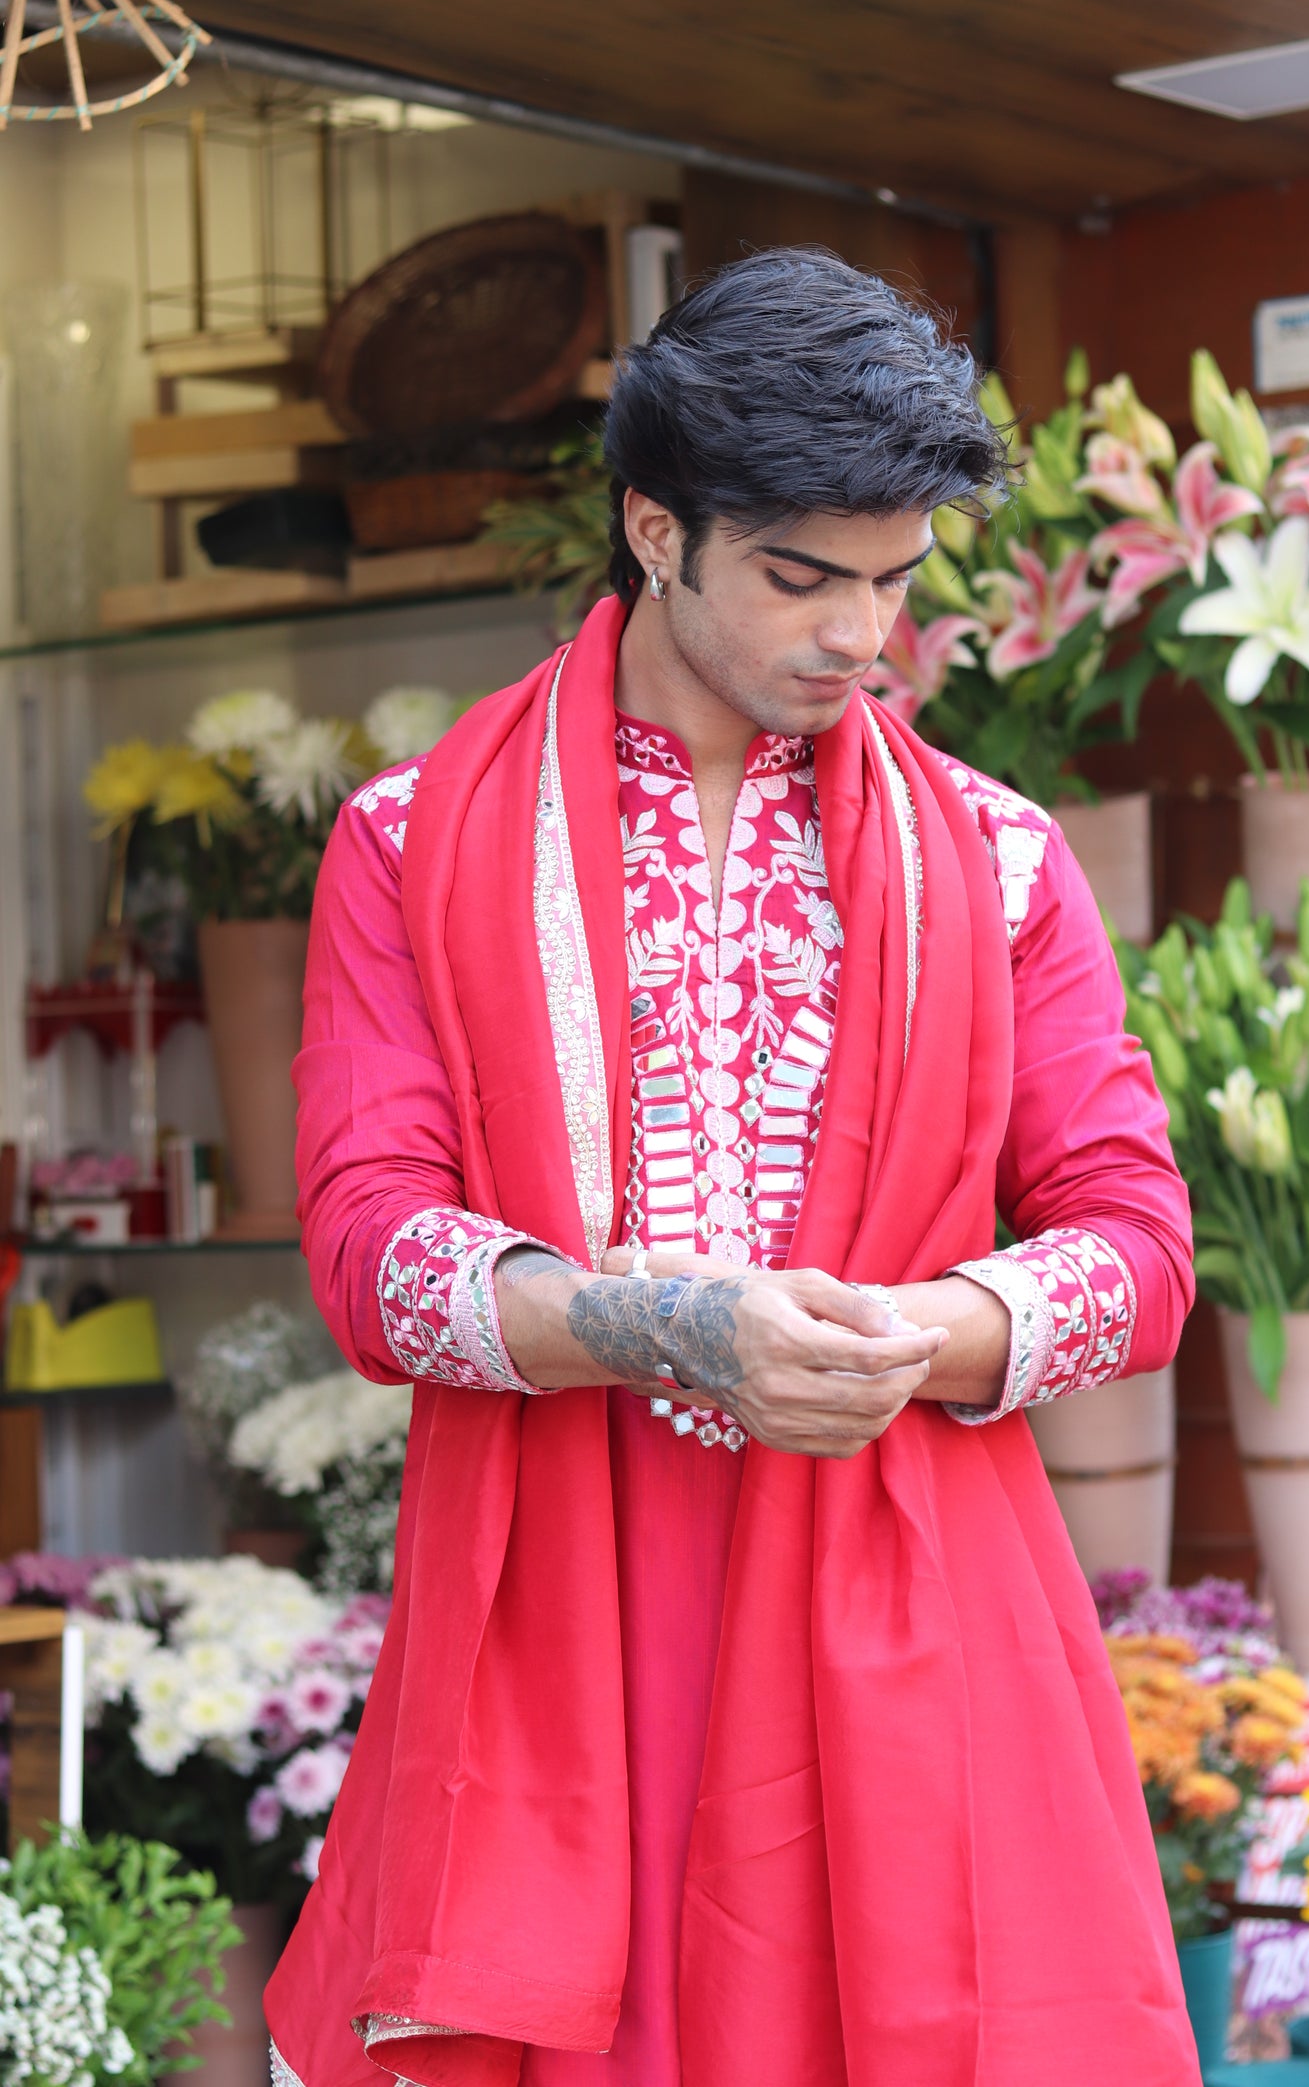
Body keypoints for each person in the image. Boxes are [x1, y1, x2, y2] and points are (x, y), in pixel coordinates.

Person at [266, 249, 1200, 2087]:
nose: (861, 637)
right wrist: (671, 1324)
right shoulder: (408, 842)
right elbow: (369, 1256)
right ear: (652, 528)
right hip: (567, 1615)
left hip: (912, 1614)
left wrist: (922, 1329)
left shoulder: (998, 860)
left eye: (894, 581)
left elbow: (1140, 1245)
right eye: (801, 577)